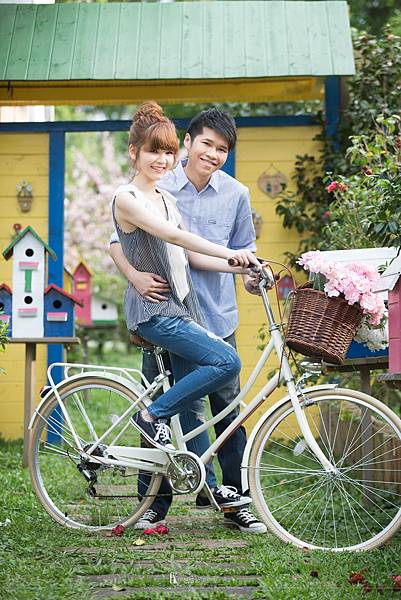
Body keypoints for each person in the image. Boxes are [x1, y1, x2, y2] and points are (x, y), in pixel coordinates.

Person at [111, 106, 267, 534]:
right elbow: (119, 241)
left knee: (227, 411)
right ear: (188, 142)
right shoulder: (156, 184)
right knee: (165, 409)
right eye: (206, 144)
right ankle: (152, 505)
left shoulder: (234, 193)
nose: (212, 154)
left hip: (213, 313)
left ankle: (231, 500)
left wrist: (247, 269)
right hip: (163, 309)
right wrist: (134, 276)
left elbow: (230, 253)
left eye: (222, 149)